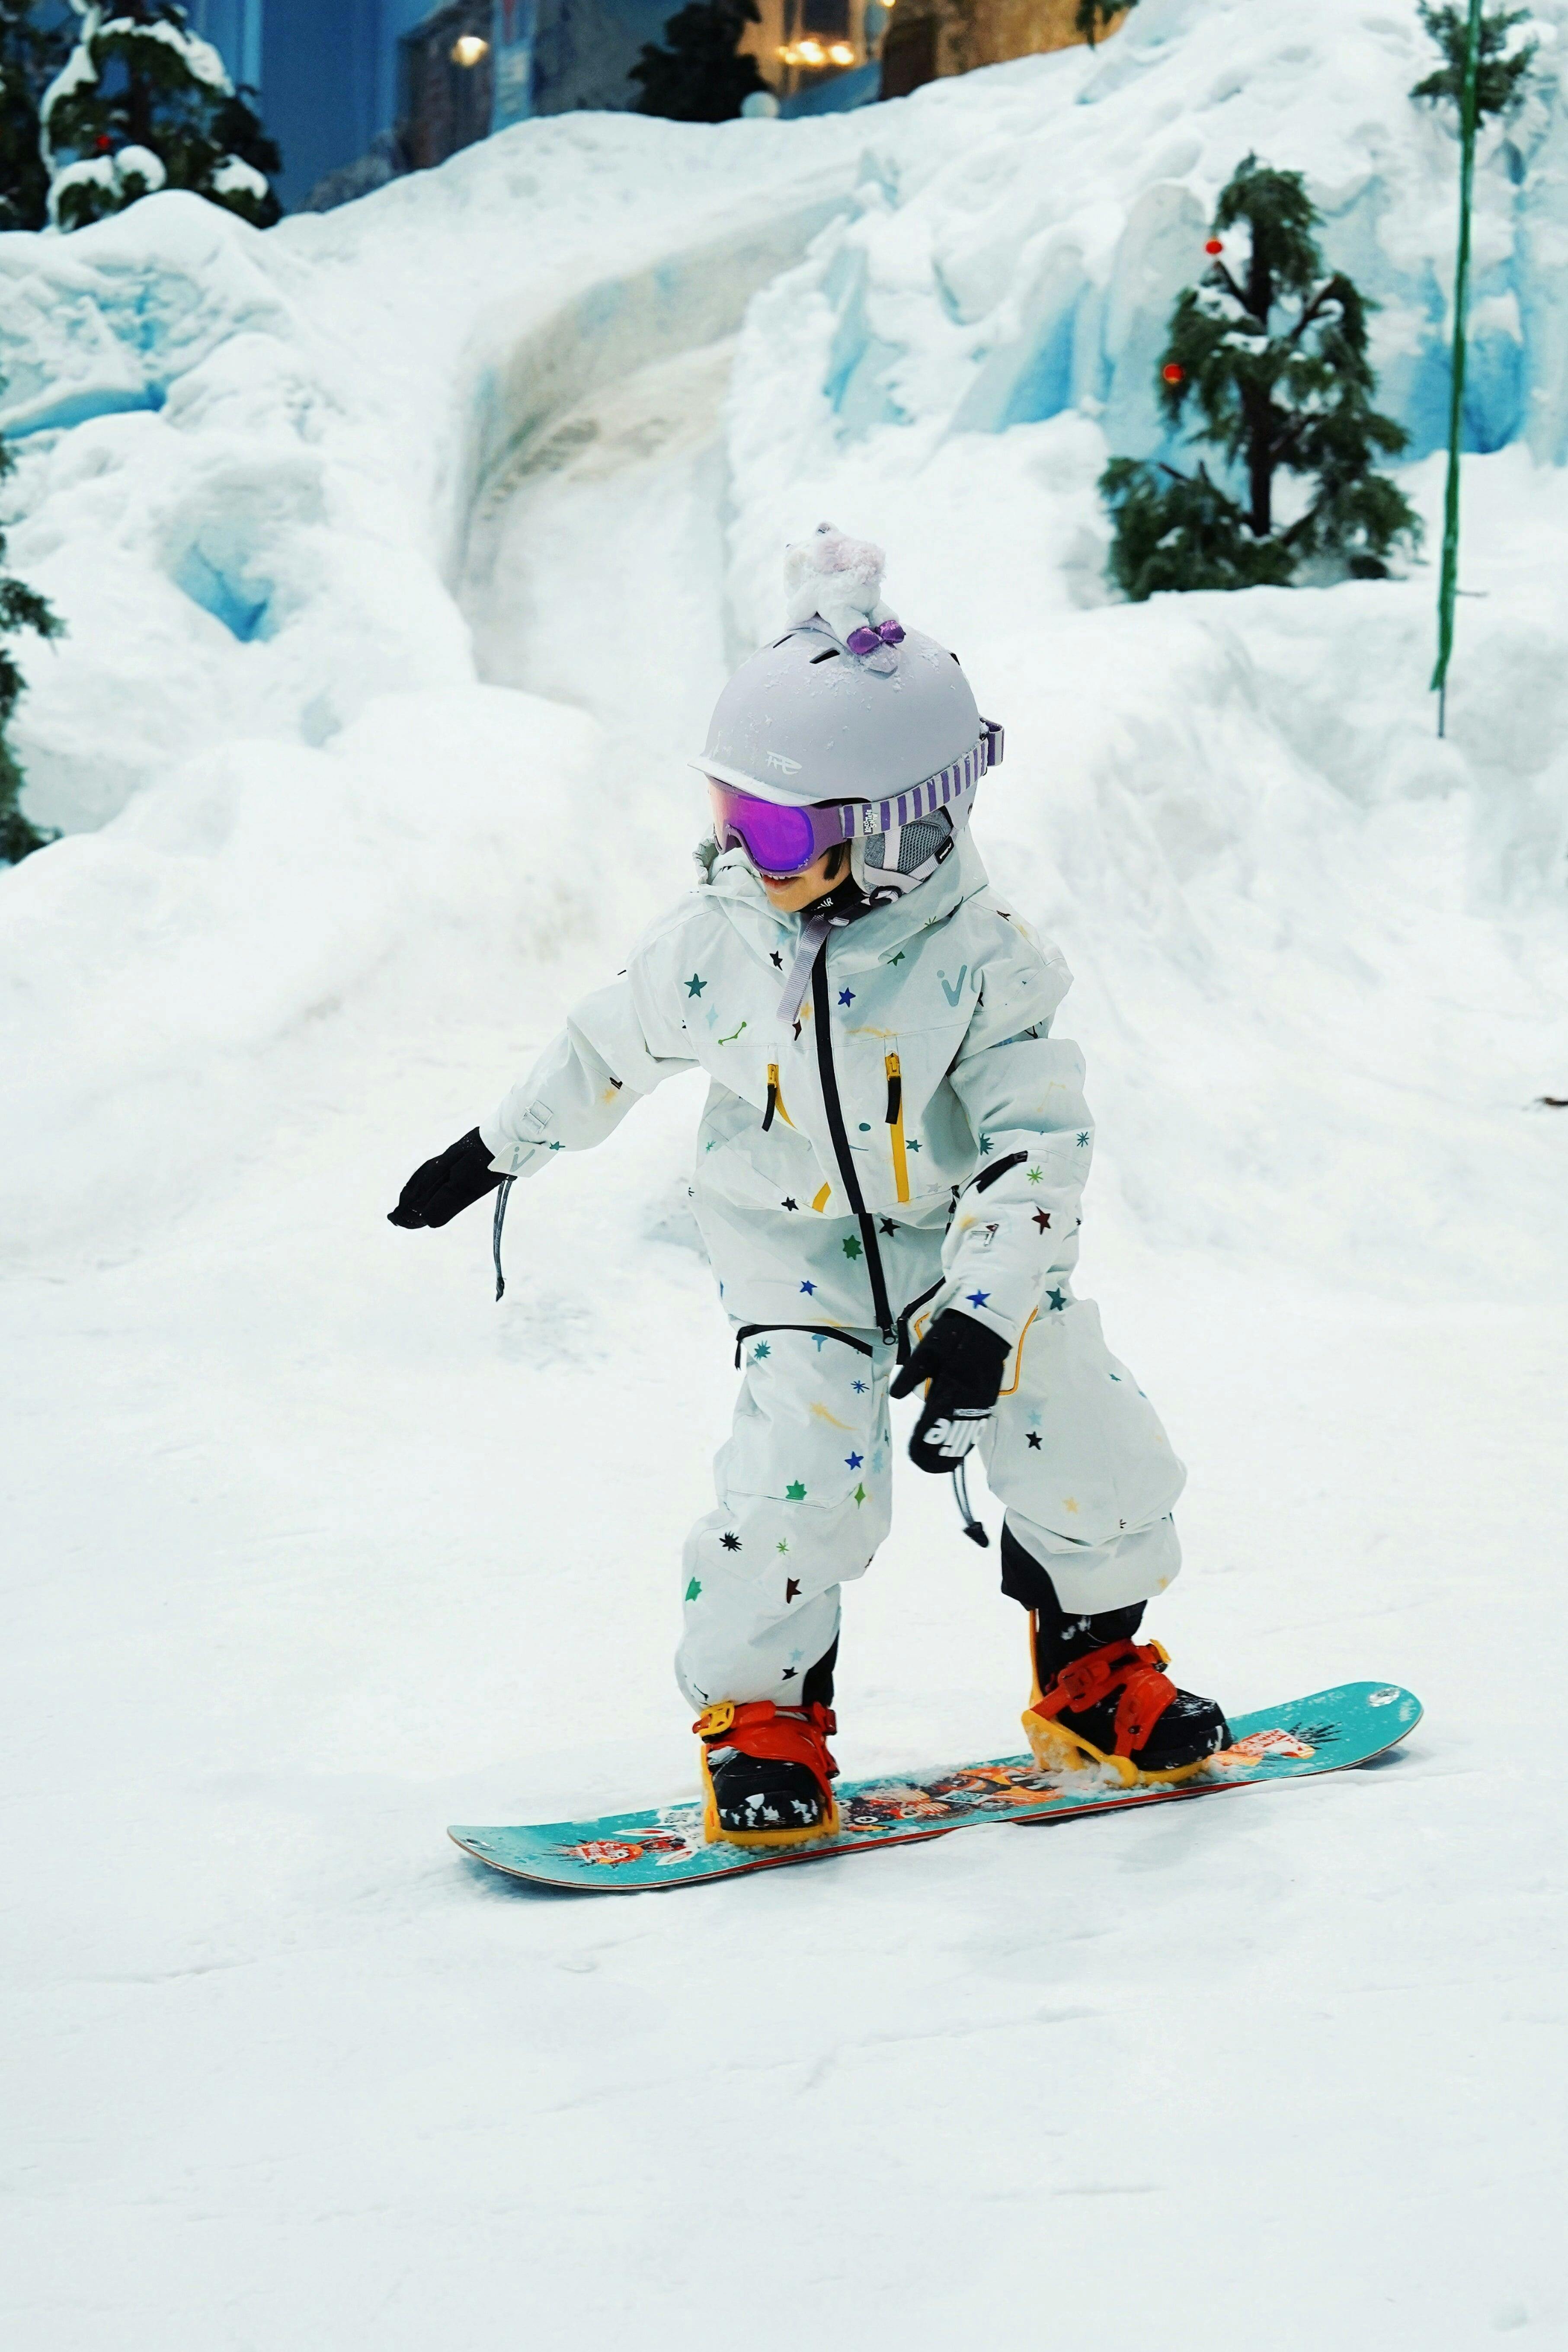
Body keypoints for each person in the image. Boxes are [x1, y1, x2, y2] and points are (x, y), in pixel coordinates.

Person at [389, 525, 1229, 1847]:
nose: (743, 851)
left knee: (1088, 1439)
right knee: (796, 1484)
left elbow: (1035, 1148)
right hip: (795, 1261)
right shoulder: (719, 941)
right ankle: (762, 1719)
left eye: (775, 827)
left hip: (965, 1260)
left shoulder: (985, 965)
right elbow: (606, 1046)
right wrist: (496, 1146)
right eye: (728, 815)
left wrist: (984, 1317)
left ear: (893, 829)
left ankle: (1091, 1675)